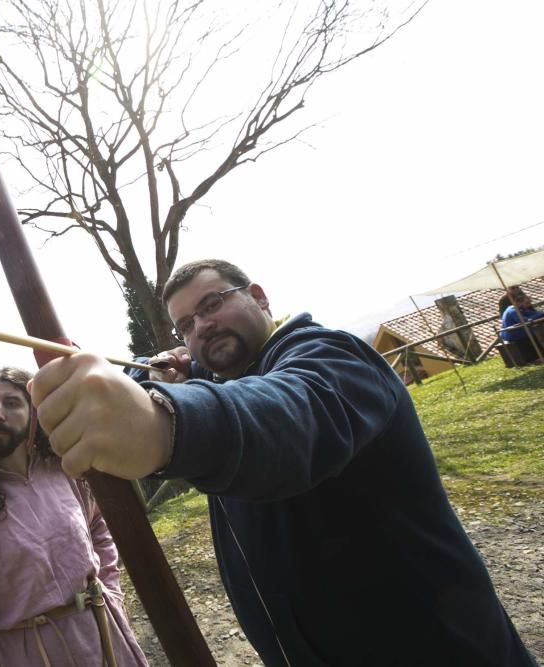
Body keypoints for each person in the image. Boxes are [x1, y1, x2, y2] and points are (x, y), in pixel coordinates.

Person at [30, 259, 536, 666]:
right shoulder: (221, 381)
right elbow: (231, 389)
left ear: (257, 296)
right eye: (187, 324)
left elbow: (290, 413)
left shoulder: (332, 355)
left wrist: (167, 420)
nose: (202, 325)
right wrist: (184, 381)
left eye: (212, 305)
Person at [0, 367, 149, 666]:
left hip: (101, 635)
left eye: (11, 403)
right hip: (26, 653)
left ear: (34, 416)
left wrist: (110, 590)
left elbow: (98, 525)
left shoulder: (64, 469)